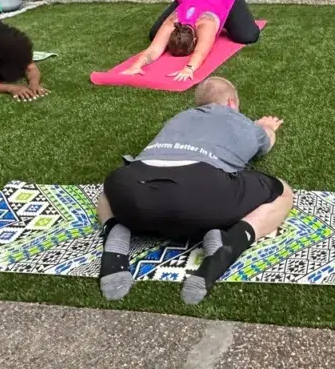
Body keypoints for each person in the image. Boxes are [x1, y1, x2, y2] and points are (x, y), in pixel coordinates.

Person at [95, 76, 292, 305]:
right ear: (231, 103)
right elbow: (266, 143)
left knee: (110, 189)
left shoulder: (180, 117)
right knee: (283, 192)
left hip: (133, 188)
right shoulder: (240, 121)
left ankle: (115, 232)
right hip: (199, 191)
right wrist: (266, 127)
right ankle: (229, 244)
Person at [121, 0, 261, 83]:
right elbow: (154, 49)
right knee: (154, 34)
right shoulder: (172, 22)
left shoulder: (207, 23)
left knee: (248, 36)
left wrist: (189, 68)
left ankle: (227, 17)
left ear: (195, 39)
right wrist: (136, 65)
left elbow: (201, 51)